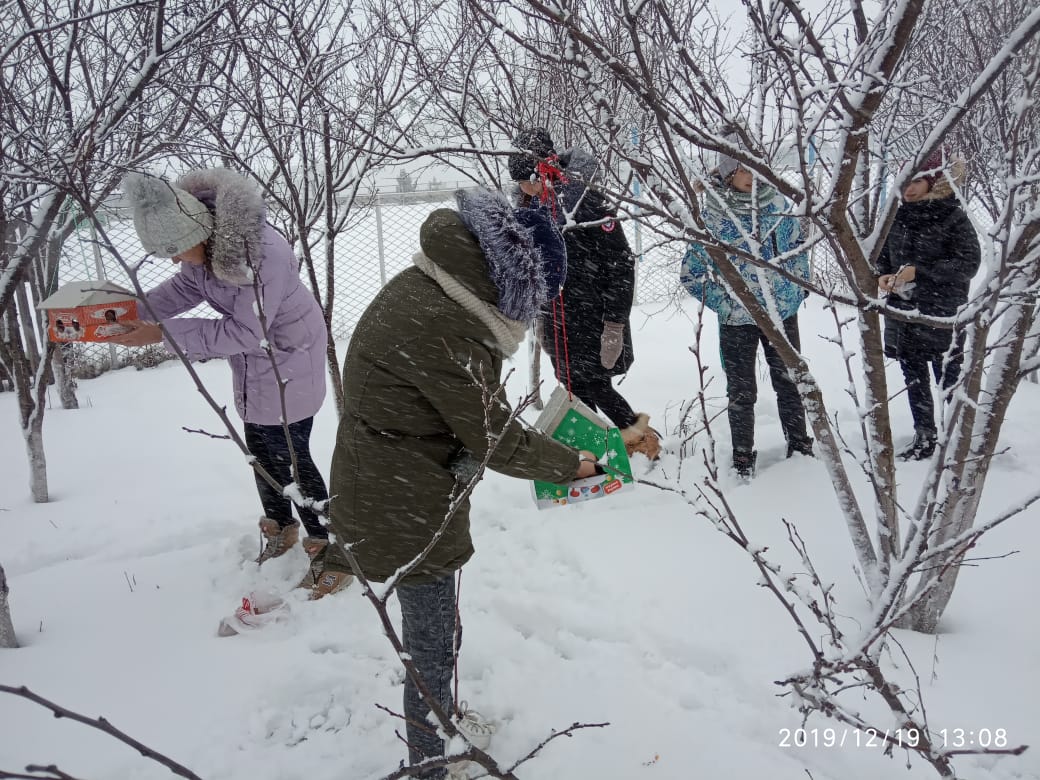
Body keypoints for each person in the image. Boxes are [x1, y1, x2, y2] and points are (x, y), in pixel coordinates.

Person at [321, 188, 600, 778]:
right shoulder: (444, 324)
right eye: (536, 301)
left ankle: (441, 724)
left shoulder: (436, 286)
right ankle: (429, 764)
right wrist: (570, 465)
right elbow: (496, 437)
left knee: (434, 633)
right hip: (401, 497)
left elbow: (462, 410)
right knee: (430, 646)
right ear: (513, 285)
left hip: (397, 476)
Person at [115, 169, 339, 594]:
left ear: (197, 231)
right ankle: (282, 527)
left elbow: (243, 332)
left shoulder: (259, 255)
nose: (174, 260)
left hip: (289, 357)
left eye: (176, 250)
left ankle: (331, 548)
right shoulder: (205, 247)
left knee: (290, 457)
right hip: (256, 363)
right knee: (260, 451)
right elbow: (182, 290)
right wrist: (131, 312)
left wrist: (161, 335)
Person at [507, 127, 662, 460]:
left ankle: (634, 441)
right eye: (519, 183)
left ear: (542, 171)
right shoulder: (530, 207)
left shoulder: (585, 202)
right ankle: (605, 446)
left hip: (592, 315)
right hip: (555, 316)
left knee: (593, 385)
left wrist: (614, 324)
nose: (523, 189)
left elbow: (621, 264)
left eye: (526, 180)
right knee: (574, 386)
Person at [680, 129, 813, 477]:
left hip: (781, 313)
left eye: (754, 167)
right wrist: (727, 304)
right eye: (741, 169)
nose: (750, 175)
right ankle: (742, 455)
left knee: (790, 381)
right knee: (741, 390)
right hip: (737, 320)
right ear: (727, 174)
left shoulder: (777, 206)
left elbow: (797, 253)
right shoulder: (714, 217)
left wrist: (795, 292)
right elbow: (692, 274)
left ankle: (800, 445)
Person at [877, 148, 981, 460]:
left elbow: (969, 263)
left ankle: (957, 439)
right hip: (904, 310)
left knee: (948, 375)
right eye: (905, 181)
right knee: (913, 376)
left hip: (942, 312)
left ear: (933, 181)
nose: (908, 188)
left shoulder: (952, 216)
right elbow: (883, 255)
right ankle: (924, 437)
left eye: (917, 181)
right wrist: (883, 276)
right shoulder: (897, 216)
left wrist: (920, 272)